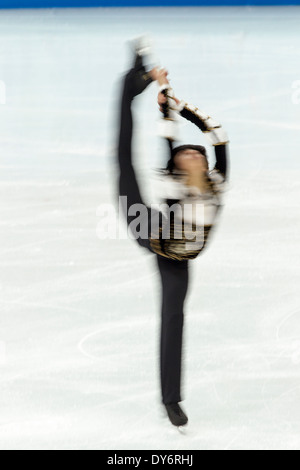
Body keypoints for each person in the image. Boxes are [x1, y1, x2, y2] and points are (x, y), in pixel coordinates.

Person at [117, 46, 229, 427]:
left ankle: (171, 400)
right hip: (147, 229)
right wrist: (166, 107)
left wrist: (179, 109)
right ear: (177, 165)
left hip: (176, 257)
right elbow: (171, 140)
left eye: (196, 155)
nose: (192, 157)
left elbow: (218, 137)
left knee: (173, 318)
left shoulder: (217, 182)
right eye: (184, 156)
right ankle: (128, 86)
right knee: (123, 161)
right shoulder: (176, 183)